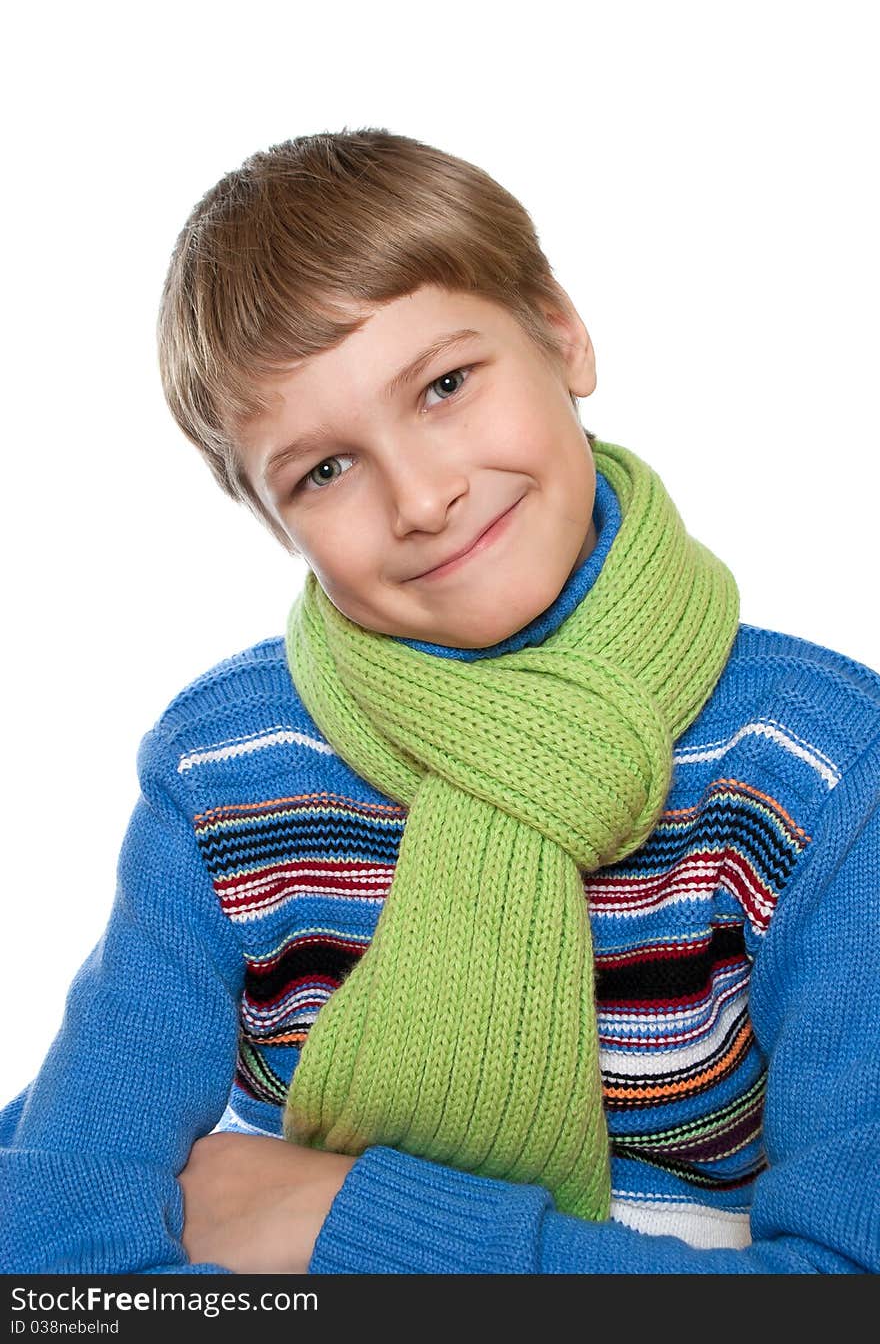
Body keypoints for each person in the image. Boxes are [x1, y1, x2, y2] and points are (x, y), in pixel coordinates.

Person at [1, 128, 878, 1276]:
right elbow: (62, 1215)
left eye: (445, 386)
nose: (421, 497)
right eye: (324, 469)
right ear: (274, 521)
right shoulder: (226, 767)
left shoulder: (814, 766)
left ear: (559, 331)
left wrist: (342, 1221)